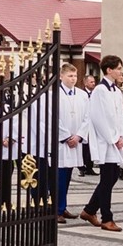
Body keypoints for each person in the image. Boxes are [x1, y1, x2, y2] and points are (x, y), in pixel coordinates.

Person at [79, 55, 123, 232]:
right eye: (119, 68)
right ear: (109, 70)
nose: (121, 71)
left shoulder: (115, 91)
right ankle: (107, 218)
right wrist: (113, 138)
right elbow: (99, 117)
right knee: (107, 178)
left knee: (112, 176)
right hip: (105, 141)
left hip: (116, 141)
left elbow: (120, 115)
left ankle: (89, 210)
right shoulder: (100, 90)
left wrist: (122, 135)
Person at [54, 63, 88, 222]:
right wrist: (67, 136)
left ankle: (63, 206)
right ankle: (57, 209)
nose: (73, 79)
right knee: (59, 176)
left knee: (68, 175)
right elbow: (53, 117)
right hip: (62, 142)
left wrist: (79, 135)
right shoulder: (54, 93)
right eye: (70, 76)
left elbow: (88, 117)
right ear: (61, 76)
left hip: (76, 140)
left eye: (75, 76)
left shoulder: (82, 95)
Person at [79, 72, 98, 175]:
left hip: (93, 122)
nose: (93, 84)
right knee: (84, 145)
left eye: (94, 82)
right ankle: (82, 167)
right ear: (85, 83)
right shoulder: (81, 94)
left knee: (91, 145)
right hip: (84, 121)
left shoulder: (96, 93)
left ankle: (89, 166)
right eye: (91, 82)